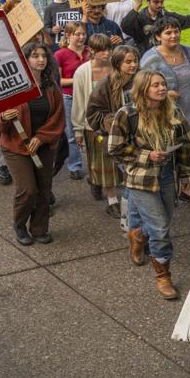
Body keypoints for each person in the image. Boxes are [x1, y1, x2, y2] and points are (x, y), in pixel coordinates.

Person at [106, 69, 190, 298]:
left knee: (161, 221)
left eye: (163, 84)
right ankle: (163, 276)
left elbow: (185, 145)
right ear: (143, 89)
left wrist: (186, 176)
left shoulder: (173, 111)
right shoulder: (127, 114)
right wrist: (147, 155)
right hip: (140, 178)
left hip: (167, 176)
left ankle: (137, 235)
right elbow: (114, 148)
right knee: (161, 228)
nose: (161, 88)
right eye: (155, 85)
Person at [136, 18, 190, 209]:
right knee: (166, 152)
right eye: (168, 32)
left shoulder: (189, 52)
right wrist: (163, 93)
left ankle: (187, 190)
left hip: (189, 107)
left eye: (176, 31)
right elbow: (140, 84)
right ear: (158, 36)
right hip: (161, 113)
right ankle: (163, 191)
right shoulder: (151, 59)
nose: (173, 35)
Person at [0, 42, 65, 246]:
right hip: (16, 147)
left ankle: (39, 228)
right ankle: (19, 224)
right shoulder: (11, 85)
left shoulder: (51, 86)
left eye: (43, 55)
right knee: (27, 190)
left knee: (44, 190)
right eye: (35, 56)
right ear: (25, 59)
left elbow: (57, 117)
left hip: (43, 146)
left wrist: (41, 137)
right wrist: (3, 116)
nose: (41, 59)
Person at [87, 44, 138, 231]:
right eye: (128, 62)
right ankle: (118, 208)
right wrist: (113, 122)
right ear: (117, 64)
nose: (133, 65)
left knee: (132, 177)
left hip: (138, 136)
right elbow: (92, 113)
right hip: (116, 136)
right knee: (119, 174)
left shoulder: (141, 80)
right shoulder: (105, 85)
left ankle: (132, 214)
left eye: (135, 61)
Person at [69, 32, 112, 197]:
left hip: (112, 121)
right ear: (92, 50)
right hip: (91, 123)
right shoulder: (81, 72)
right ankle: (95, 181)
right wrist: (78, 129)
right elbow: (79, 101)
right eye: (102, 50)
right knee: (94, 156)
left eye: (108, 49)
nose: (106, 53)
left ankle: (108, 184)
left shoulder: (114, 68)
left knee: (111, 156)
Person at [52, 23, 88, 182]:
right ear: (68, 36)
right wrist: (79, 79)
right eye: (77, 34)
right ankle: (75, 166)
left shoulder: (90, 52)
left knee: (93, 133)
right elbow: (57, 80)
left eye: (83, 34)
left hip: (89, 97)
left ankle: (97, 165)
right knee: (72, 134)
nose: (81, 37)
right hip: (69, 97)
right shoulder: (60, 54)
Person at [118, 0, 190, 51]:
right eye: (156, 2)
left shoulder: (168, 17)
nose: (160, 5)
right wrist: (136, 7)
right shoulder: (139, 18)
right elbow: (125, 27)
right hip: (145, 57)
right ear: (148, 1)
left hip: (166, 57)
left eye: (162, 1)